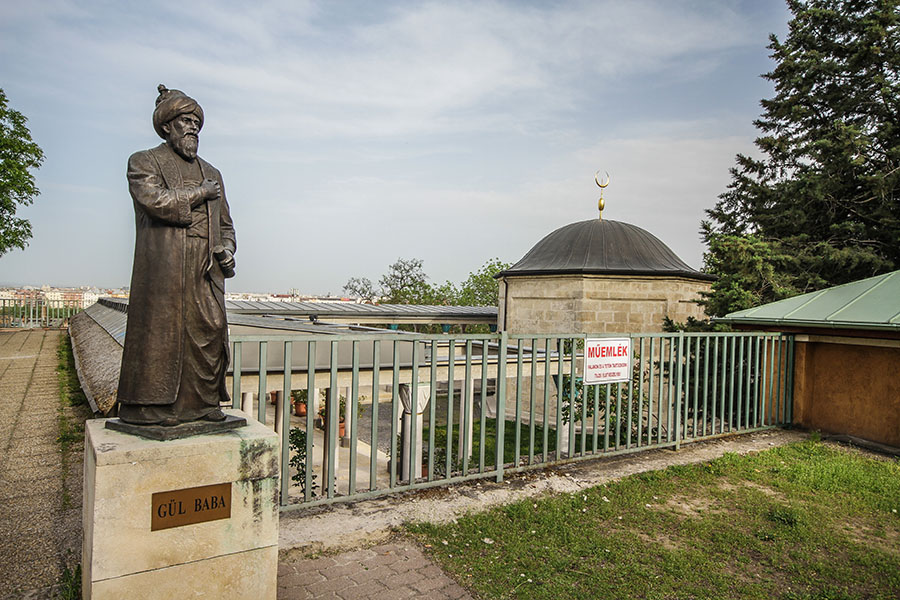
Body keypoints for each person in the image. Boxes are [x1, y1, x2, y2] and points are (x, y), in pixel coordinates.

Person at [116, 85, 236, 426]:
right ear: (167, 126)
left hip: (204, 268)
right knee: (161, 334)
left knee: (211, 329)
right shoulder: (144, 161)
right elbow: (154, 202)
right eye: (185, 121)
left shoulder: (212, 173)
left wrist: (227, 251)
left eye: (197, 122)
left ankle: (203, 404)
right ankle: (154, 408)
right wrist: (199, 194)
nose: (193, 128)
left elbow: (226, 225)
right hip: (165, 265)